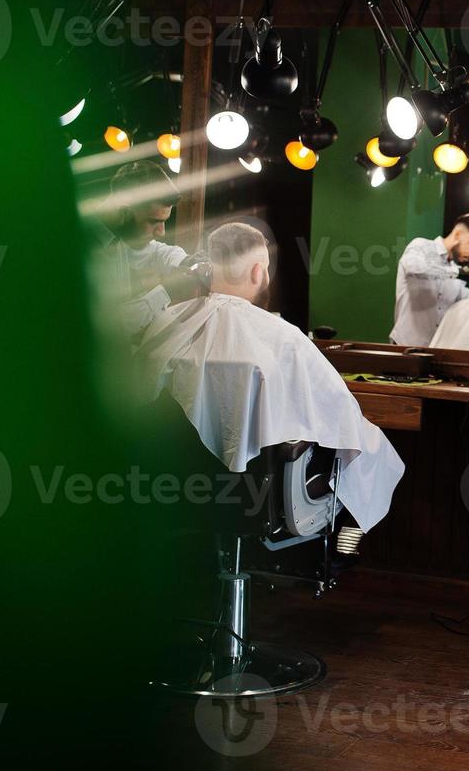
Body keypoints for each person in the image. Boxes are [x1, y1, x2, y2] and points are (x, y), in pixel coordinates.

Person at [137, 222, 404, 531]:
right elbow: (341, 415)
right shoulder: (285, 339)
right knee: (369, 453)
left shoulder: (166, 325)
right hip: (257, 497)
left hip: (168, 487)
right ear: (257, 272)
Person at [91, 161, 206, 336]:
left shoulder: (119, 236)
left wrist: (185, 260)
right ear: (124, 213)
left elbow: (156, 251)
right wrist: (167, 291)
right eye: (154, 222)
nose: (162, 232)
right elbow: (104, 328)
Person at [389, 214, 469, 346]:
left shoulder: (458, 275)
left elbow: (460, 315)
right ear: (458, 234)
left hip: (437, 351)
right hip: (403, 346)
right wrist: (456, 273)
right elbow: (414, 268)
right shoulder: (421, 246)